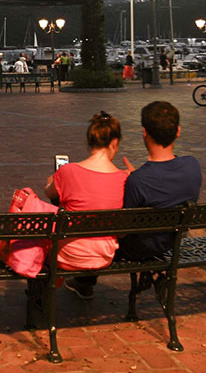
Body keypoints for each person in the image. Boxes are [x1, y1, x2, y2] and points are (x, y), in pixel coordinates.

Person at [43, 112, 128, 300]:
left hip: (66, 255)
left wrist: (54, 180)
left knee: (60, 203)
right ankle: (85, 284)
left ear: (90, 142)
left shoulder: (68, 171)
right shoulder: (124, 179)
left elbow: (49, 193)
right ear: (114, 143)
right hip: (104, 255)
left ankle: (42, 295)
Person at [118, 100, 202, 261]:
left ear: (145, 133)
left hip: (140, 248)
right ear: (178, 131)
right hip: (174, 242)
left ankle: (84, 281)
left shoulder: (138, 181)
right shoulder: (192, 165)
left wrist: (135, 179)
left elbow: (123, 231)